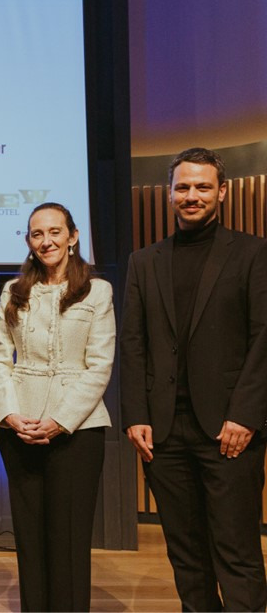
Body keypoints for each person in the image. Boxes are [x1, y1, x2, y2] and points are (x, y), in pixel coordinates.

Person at [121, 147, 267, 611]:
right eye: (182, 187)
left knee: (237, 553)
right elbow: (133, 343)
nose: (192, 195)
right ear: (169, 194)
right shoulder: (144, 261)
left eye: (203, 187)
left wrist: (246, 415)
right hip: (163, 433)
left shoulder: (253, 253)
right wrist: (136, 415)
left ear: (222, 192)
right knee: (186, 558)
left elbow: (264, 338)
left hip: (229, 430)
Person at [0, 202, 114, 611]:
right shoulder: (13, 290)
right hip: (20, 428)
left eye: (55, 232)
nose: (46, 241)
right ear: (28, 241)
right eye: (37, 234)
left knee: (68, 542)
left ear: (73, 236)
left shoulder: (98, 291)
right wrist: (9, 415)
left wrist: (60, 420)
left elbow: (99, 366)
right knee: (30, 541)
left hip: (78, 431)